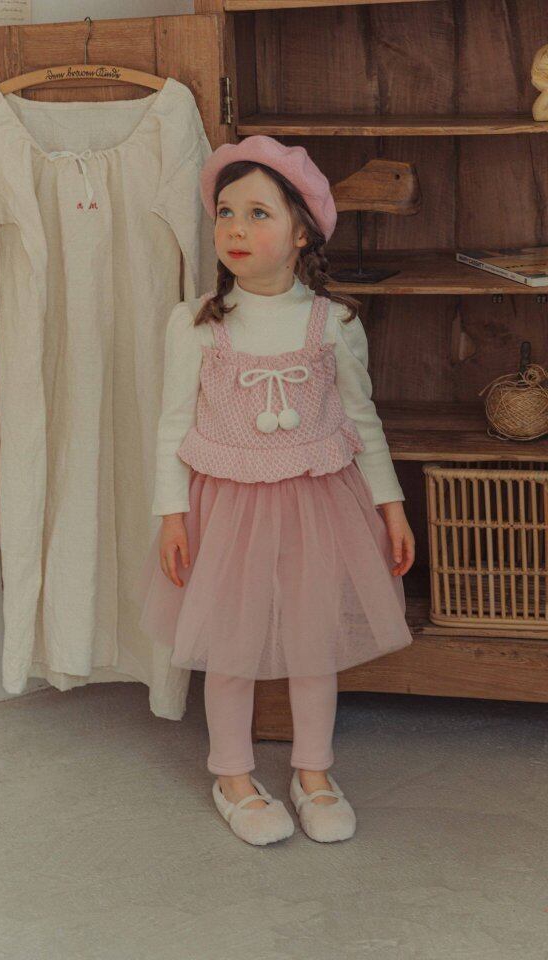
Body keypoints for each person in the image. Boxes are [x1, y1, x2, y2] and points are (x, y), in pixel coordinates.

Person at [136, 135, 415, 845]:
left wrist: (391, 507)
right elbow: (172, 425)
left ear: (302, 234)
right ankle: (232, 775)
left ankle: (313, 771)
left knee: (311, 642)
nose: (235, 228)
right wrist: (172, 515)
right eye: (226, 212)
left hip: (318, 509)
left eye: (258, 213)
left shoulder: (333, 322)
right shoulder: (197, 323)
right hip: (226, 513)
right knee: (231, 647)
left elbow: (362, 421)